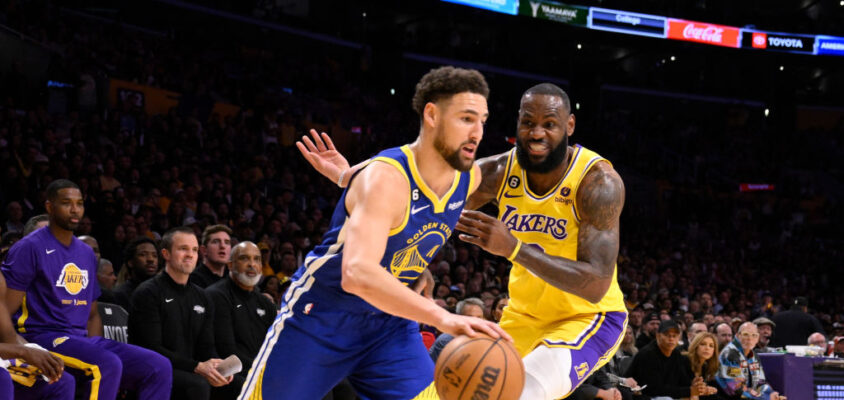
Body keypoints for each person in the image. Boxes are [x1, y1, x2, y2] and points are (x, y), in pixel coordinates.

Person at [303, 82, 628, 399]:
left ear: (570, 125)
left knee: (523, 392)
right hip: (523, 316)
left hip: (589, 318)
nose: (536, 133)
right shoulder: (502, 170)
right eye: (528, 122)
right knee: (437, 394)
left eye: (549, 124)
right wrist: (351, 178)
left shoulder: (598, 183)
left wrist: (513, 247)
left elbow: (596, 282)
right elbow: (423, 191)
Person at [239, 66, 507, 400]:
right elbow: (357, 273)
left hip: (389, 324)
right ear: (432, 114)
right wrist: (442, 317)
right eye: (467, 118)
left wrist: (414, 263)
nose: (478, 132)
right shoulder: (385, 177)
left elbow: (409, 224)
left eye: (482, 120)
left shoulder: (469, 179)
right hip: (323, 315)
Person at [2, 179, 172, 399]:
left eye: (79, 203)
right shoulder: (29, 247)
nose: (75, 209)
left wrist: (93, 347)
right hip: (42, 335)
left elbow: (92, 315)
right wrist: (23, 349)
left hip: (80, 338)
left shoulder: (85, 253)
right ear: (50, 207)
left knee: (158, 366)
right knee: (107, 364)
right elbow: (5, 311)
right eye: (66, 203)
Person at [129, 227, 244, 400]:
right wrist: (197, 367)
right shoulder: (148, 293)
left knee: (238, 385)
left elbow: (206, 346)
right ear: (166, 254)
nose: (190, 254)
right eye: (183, 249)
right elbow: (151, 348)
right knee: (196, 385)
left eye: (195, 250)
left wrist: (217, 368)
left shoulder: (202, 297)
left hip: (191, 368)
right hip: (154, 368)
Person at [206, 241, 276, 377]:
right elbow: (227, 351)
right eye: (244, 258)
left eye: (257, 259)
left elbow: (275, 347)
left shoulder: (265, 304)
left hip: (262, 371)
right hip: (233, 373)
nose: (252, 264)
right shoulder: (217, 296)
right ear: (230, 265)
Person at [626, 320, 712, 399]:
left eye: (674, 336)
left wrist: (696, 385)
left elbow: (683, 381)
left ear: (679, 338)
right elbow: (653, 389)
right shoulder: (647, 354)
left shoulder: (676, 354)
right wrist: (689, 390)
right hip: (640, 396)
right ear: (658, 336)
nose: (671, 339)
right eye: (667, 335)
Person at [717, 322, 784, 400]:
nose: (750, 338)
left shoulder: (754, 356)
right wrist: (765, 398)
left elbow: (760, 382)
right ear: (738, 336)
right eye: (746, 334)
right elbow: (735, 389)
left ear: (757, 338)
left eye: (754, 335)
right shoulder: (730, 354)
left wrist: (770, 393)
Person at [429, 297, 486, 361]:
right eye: (470, 318)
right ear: (459, 318)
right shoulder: (446, 340)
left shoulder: (489, 339)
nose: (476, 322)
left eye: (479, 318)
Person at [112, 237, 159, 310]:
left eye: (154, 255)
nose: (151, 259)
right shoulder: (120, 294)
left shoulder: (164, 292)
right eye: (143, 254)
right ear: (130, 262)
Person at [191, 225, 232, 289]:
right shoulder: (194, 280)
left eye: (227, 242)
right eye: (216, 242)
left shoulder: (233, 277)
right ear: (204, 250)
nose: (222, 246)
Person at [685, 332, 720, 400]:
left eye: (711, 346)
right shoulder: (685, 361)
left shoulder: (704, 366)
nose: (707, 348)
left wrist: (705, 390)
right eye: (703, 344)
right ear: (696, 345)